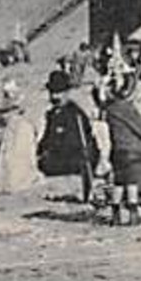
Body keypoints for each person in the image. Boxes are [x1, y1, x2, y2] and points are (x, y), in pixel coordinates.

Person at [37, 69, 98, 201]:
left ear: (67, 93)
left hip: (73, 161)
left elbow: (78, 144)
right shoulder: (53, 113)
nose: (54, 97)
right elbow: (46, 139)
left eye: (58, 93)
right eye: (52, 93)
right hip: (59, 158)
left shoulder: (75, 114)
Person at [100, 74, 141, 226]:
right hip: (132, 151)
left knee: (118, 182)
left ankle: (115, 214)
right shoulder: (128, 109)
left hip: (117, 151)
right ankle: (133, 215)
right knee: (132, 184)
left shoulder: (110, 110)